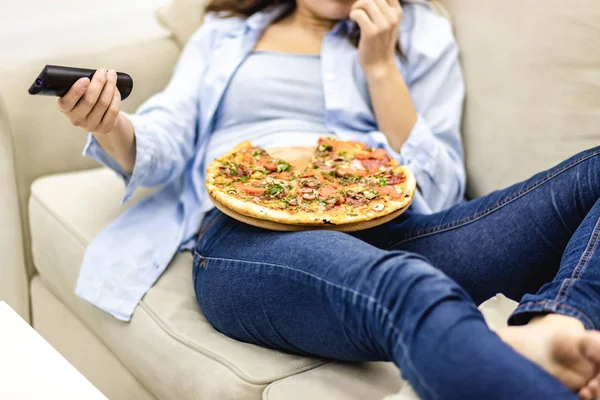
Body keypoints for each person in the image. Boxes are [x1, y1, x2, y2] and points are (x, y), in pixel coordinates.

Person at [56, 0, 600, 398]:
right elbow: (166, 139)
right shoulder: (226, 35)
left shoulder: (422, 32)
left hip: (395, 223)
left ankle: (558, 324)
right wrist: (109, 124)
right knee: (409, 286)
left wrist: (381, 66)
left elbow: (436, 191)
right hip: (251, 235)